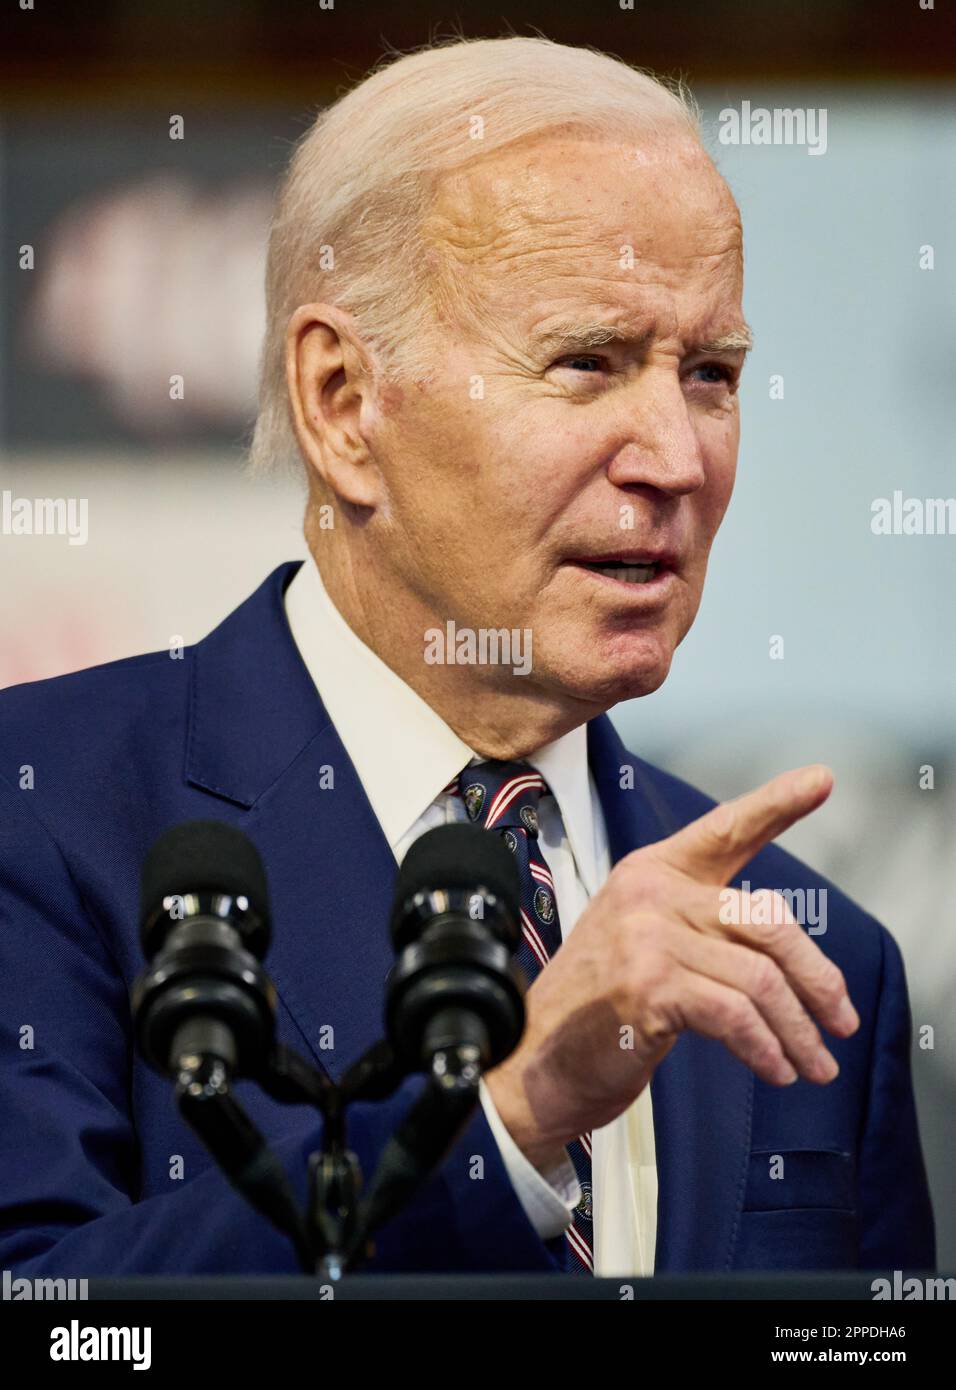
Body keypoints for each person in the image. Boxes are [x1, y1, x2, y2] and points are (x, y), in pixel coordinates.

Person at [0, 35, 934, 1278]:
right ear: (343, 402)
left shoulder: (810, 957)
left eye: (708, 373)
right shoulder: (43, 816)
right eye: (587, 364)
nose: (674, 456)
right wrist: (508, 1116)